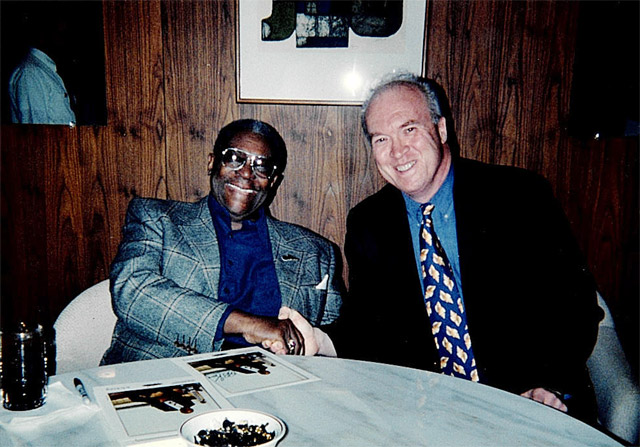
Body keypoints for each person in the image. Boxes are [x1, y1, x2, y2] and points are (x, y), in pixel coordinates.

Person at [302, 73, 603, 424]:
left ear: (441, 130)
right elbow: (369, 326)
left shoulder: (518, 197)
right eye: (381, 138)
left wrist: (546, 383)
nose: (398, 151)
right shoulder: (370, 222)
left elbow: (575, 307)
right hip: (427, 415)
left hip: (528, 404)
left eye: (409, 129)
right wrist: (318, 338)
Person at [101, 119, 343, 365]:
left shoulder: (315, 251)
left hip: (274, 387)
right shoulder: (157, 218)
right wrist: (248, 325)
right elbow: (133, 291)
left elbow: (335, 335)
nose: (247, 173)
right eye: (234, 158)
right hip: (163, 378)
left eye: (262, 166)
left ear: (273, 180)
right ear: (212, 162)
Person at [8, 8, 76, 125]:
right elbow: (35, 133)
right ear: (44, 34)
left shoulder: (47, 70)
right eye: (60, 35)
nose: (64, 42)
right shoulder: (30, 73)